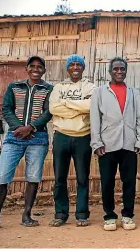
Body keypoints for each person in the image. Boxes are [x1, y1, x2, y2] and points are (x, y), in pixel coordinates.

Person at [90, 57, 140, 231]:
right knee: (107, 182)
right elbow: (95, 119)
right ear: (110, 71)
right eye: (116, 69)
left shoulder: (134, 92)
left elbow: (139, 118)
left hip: (129, 143)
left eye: (122, 69)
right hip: (107, 144)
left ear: (126, 71)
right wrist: (96, 142)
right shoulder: (99, 92)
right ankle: (109, 216)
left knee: (129, 181)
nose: (119, 72)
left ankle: (128, 215)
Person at [0, 56, 53, 227]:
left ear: (44, 70)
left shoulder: (48, 89)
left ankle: (26, 215)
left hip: (38, 138)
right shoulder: (14, 86)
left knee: (33, 176)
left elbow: (48, 112)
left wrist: (31, 127)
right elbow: (6, 108)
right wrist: (19, 128)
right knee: (2, 176)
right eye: (32, 66)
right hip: (14, 137)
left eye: (39, 66)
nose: (36, 69)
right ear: (27, 68)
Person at [49, 54, 96, 227]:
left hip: (83, 136)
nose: (75, 67)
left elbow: (91, 106)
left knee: (82, 178)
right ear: (67, 68)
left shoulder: (90, 87)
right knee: (59, 177)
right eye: (72, 64)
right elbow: (53, 108)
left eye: (78, 64)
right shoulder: (58, 87)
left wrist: (66, 103)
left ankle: (82, 213)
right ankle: (61, 214)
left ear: (83, 68)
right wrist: (79, 108)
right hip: (61, 136)